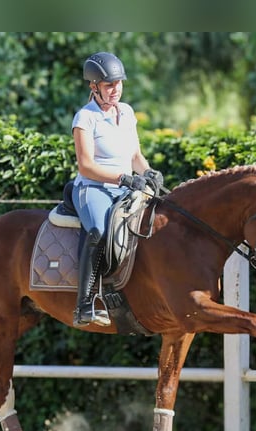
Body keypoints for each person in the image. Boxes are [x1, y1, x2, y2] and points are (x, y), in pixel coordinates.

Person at [70, 51, 163, 328]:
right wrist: (123, 178)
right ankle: (84, 302)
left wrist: (147, 172)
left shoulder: (127, 112)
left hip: (125, 186)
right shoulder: (85, 118)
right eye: (109, 85)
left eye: (119, 83)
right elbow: (86, 166)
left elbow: (135, 154)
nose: (116, 89)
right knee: (98, 230)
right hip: (94, 188)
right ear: (94, 86)